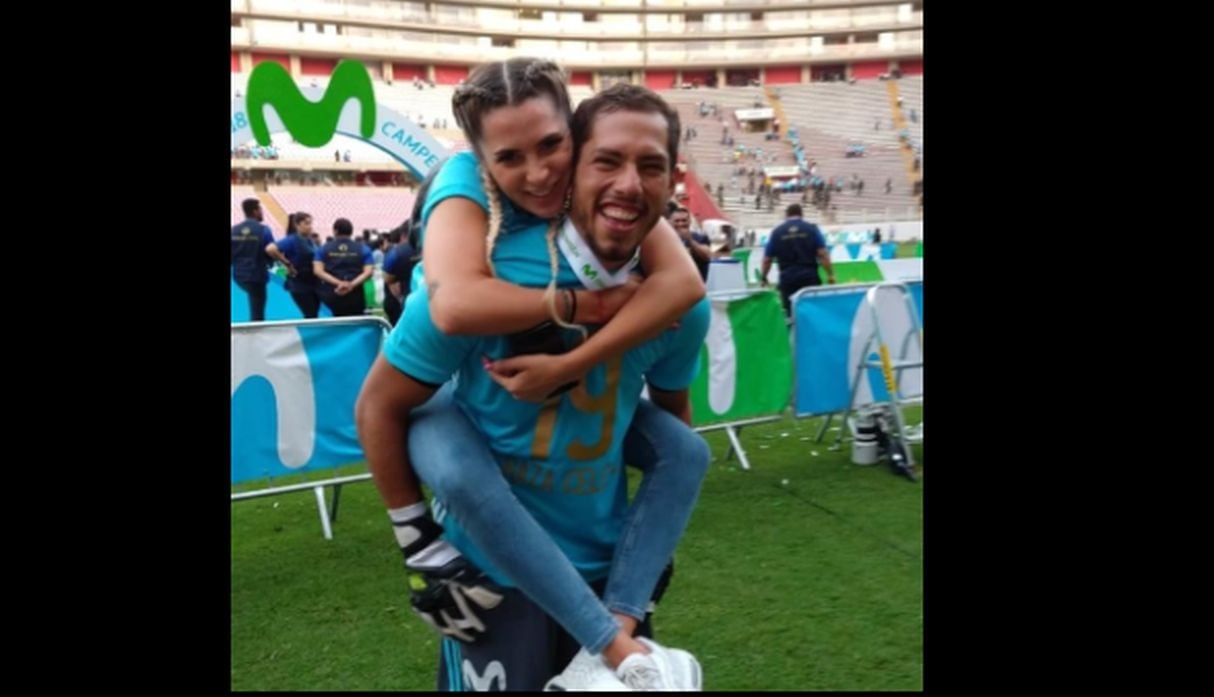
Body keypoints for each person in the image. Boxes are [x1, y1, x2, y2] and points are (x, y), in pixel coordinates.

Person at [356, 68, 707, 692]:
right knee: (457, 462)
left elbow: (673, 419)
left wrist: (653, 538)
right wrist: (419, 545)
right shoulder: (485, 278)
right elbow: (401, 376)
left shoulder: (675, 298)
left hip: (611, 572)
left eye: (551, 147)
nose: (541, 172)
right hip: (497, 578)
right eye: (607, 161)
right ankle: (615, 644)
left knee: (688, 450)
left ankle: (615, 638)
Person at [760, 203, 835, 316]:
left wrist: (764, 277)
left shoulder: (777, 232)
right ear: (802, 214)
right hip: (809, 278)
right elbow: (823, 254)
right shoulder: (811, 229)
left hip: (787, 279)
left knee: (790, 315)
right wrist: (830, 274)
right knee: (812, 313)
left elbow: (767, 259)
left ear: (786, 215)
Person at [313, 218, 374, 317]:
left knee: (332, 326)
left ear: (335, 231)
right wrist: (351, 285)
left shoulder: (323, 248)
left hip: (331, 294)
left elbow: (318, 271)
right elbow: (369, 272)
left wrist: (339, 283)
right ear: (351, 231)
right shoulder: (363, 249)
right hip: (355, 295)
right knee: (355, 325)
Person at [265, 212, 321, 318]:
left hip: (313, 283)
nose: (310, 226)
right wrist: (286, 263)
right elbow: (270, 249)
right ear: (297, 225)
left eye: (310, 223)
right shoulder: (292, 240)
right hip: (299, 284)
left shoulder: (310, 241)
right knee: (310, 314)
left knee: (314, 314)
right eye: (306, 223)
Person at [231, 198, 274, 321]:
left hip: (239, 275)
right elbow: (271, 252)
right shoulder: (264, 230)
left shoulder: (233, 230)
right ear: (255, 211)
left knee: (254, 302)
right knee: (257, 311)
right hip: (257, 275)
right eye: (260, 210)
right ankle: (255, 336)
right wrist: (283, 269)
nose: (262, 212)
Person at [668, 206, 711, 281]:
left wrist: (690, 240)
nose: (680, 224)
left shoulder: (700, 238)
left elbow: (707, 255)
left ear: (689, 221)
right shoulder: (665, 240)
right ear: (670, 221)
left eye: (684, 220)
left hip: (695, 285)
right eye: (677, 221)